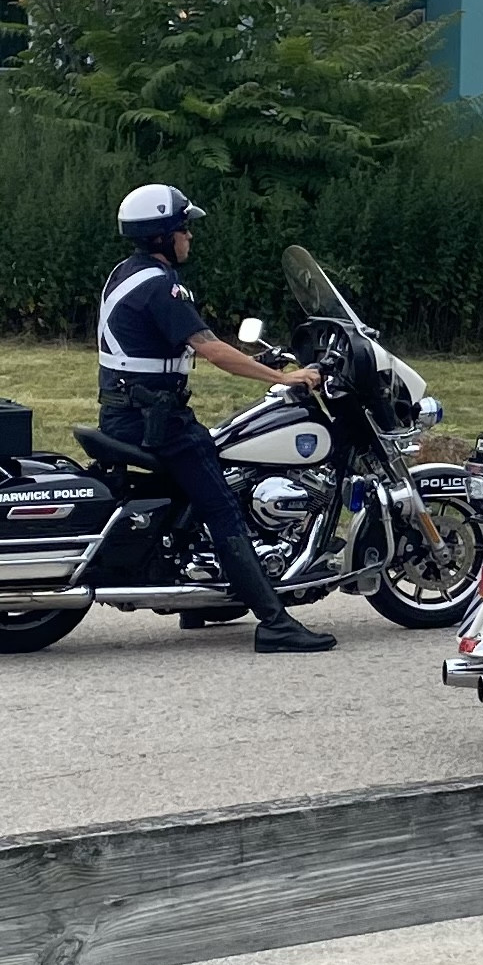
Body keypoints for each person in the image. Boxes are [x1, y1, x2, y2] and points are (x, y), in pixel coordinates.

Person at [96, 183, 337, 653]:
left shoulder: (125, 273)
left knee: (212, 480)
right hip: (156, 422)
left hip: (128, 412)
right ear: (164, 234)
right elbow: (212, 350)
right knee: (223, 509)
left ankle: (202, 601)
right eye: (184, 227)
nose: (190, 236)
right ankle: (274, 623)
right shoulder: (161, 286)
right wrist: (282, 377)